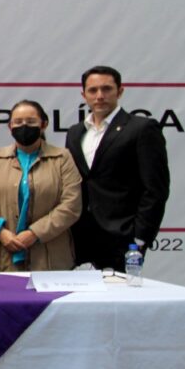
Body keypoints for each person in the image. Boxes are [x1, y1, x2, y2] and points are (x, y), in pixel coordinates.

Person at [65, 66, 170, 270]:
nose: (100, 96)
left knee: (119, 291)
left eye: (107, 89)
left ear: (120, 91)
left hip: (123, 238)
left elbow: (156, 189)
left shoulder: (142, 128)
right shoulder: (75, 133)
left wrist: (140, 237)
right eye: (93, 90)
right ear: (83, 95)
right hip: (80, 237)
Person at [0, 100, 82, 271]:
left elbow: (71, 205)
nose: (24, 126)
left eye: (31, 121)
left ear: (44, 125)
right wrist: (0, 231)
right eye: (18, 122)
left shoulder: (62, 157)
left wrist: (35, 233)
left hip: (50, 256)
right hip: (2, 253)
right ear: (10, 126)